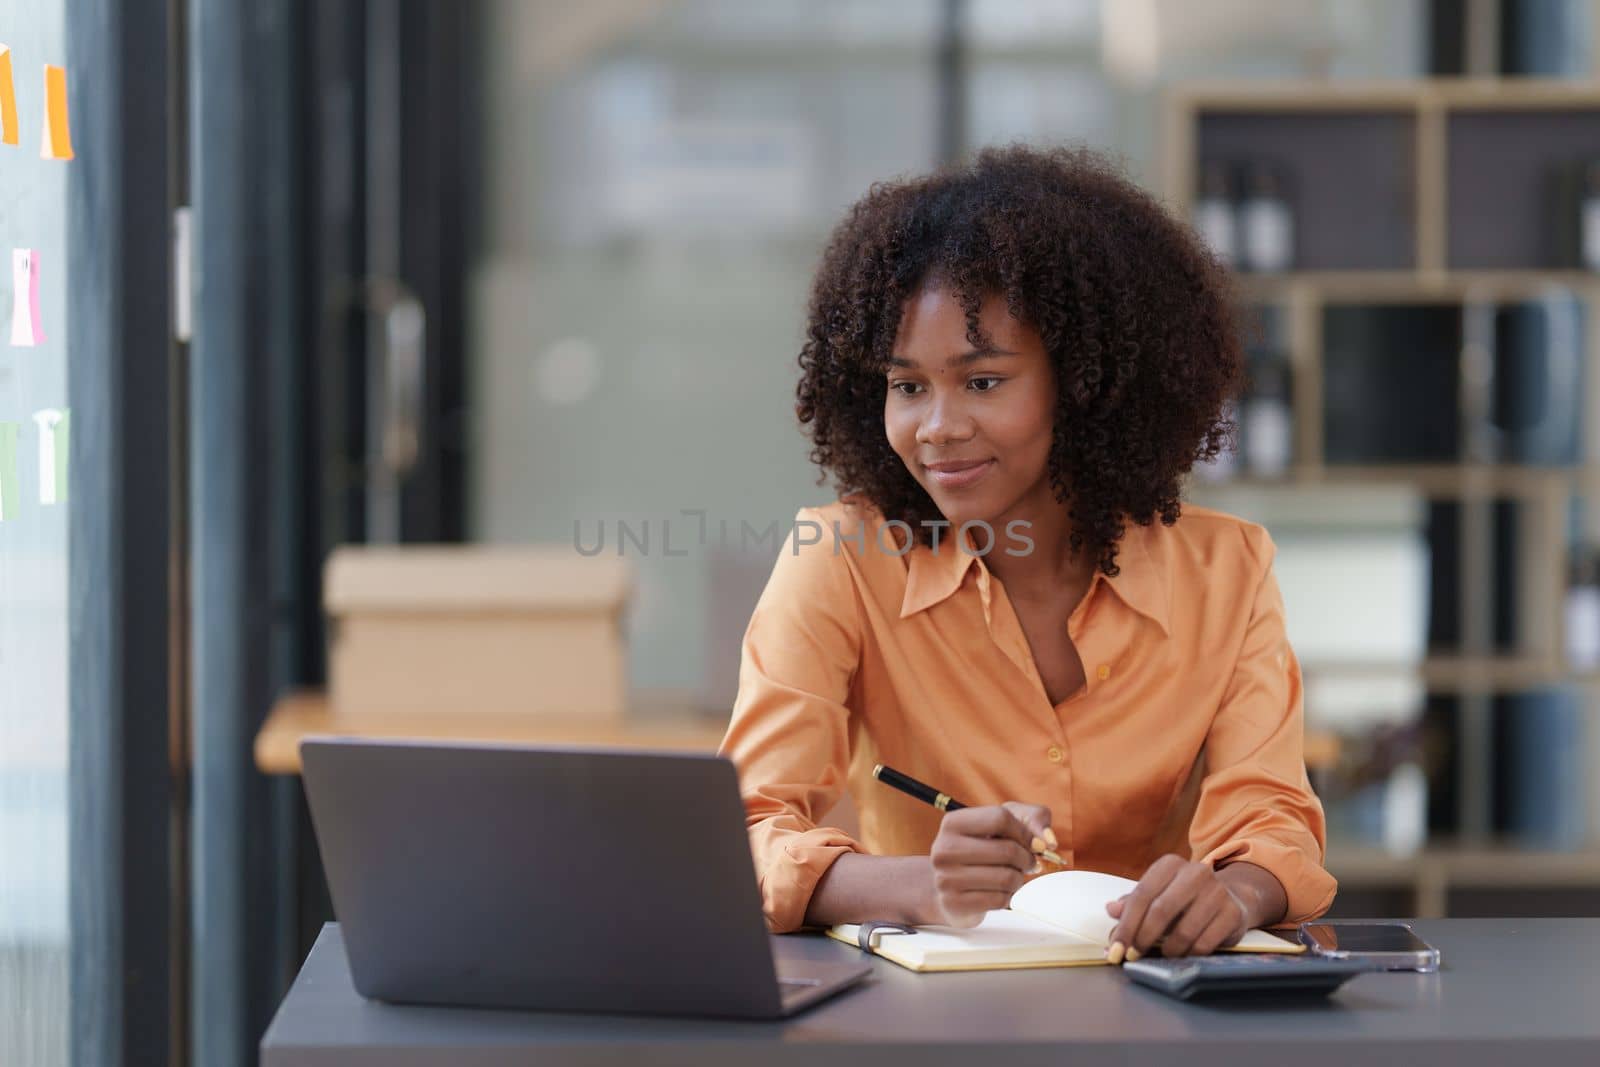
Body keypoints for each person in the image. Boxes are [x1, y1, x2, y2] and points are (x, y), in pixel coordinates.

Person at [718, 144, 1335, 962]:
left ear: (1084, 382)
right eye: (907, 386)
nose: (937, 426)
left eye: (982, 381)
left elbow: (1273, 820)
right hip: (930, 1017)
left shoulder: (1226, 571)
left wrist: (1233, 890)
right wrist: (912, 884)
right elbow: (744, 829)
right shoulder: (840, 559)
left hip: (1157, 1008)